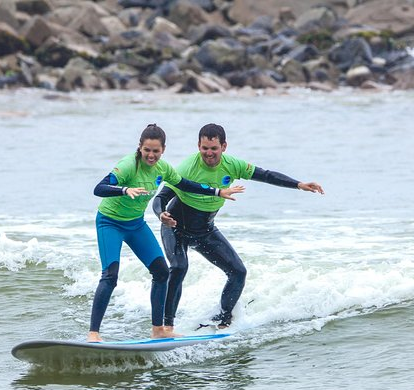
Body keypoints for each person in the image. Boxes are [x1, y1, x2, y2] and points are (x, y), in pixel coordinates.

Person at [152, 123, 324, 331]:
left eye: (214, 148)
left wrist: (298, 184)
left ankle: (222, 320)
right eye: (205, 148)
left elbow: (266, 175)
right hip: (175, 226)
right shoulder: (186, 168)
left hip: (205, 230)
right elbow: (161, 197)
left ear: (224, 146)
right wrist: (161, 215)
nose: (209, 153)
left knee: (238, 272)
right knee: (179, 267)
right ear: (198, 145)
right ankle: (166, 327)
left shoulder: (233, 165)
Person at [89, 124, 245, 342]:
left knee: (162, 272)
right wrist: (125, 190)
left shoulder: (163, 169)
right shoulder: (127, 166)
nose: (151, 155)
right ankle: (94, 334)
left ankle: (159, 329)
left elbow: (187, 185)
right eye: (147, 150)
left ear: (163, 150)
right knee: (110, 276)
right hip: (110, 223)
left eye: (156, 151)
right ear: (140, 148)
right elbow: (99, 188)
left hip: (135, 224)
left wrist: (218, 191)